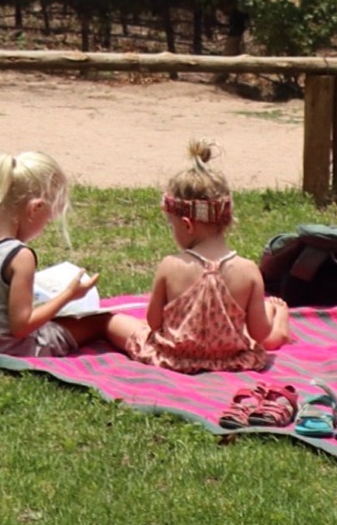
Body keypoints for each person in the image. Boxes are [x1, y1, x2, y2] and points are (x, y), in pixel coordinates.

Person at [106, 141, 293, 373]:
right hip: (230, 360)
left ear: (187, 225)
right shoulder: (248, 271)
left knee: (113, 321)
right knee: (264, 320)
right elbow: (261, 334)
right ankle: (279, 315)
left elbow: (153, 323)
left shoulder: (170, 266)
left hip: (174, 358)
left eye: (172, 225)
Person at [0, 150, 111, 358]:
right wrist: (69, 295)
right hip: (13, 350)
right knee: (101, 321)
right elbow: (21, 327)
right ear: (35, 208)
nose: (44, 227)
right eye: (47, 220)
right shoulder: (19, 256)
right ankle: (144, 345)